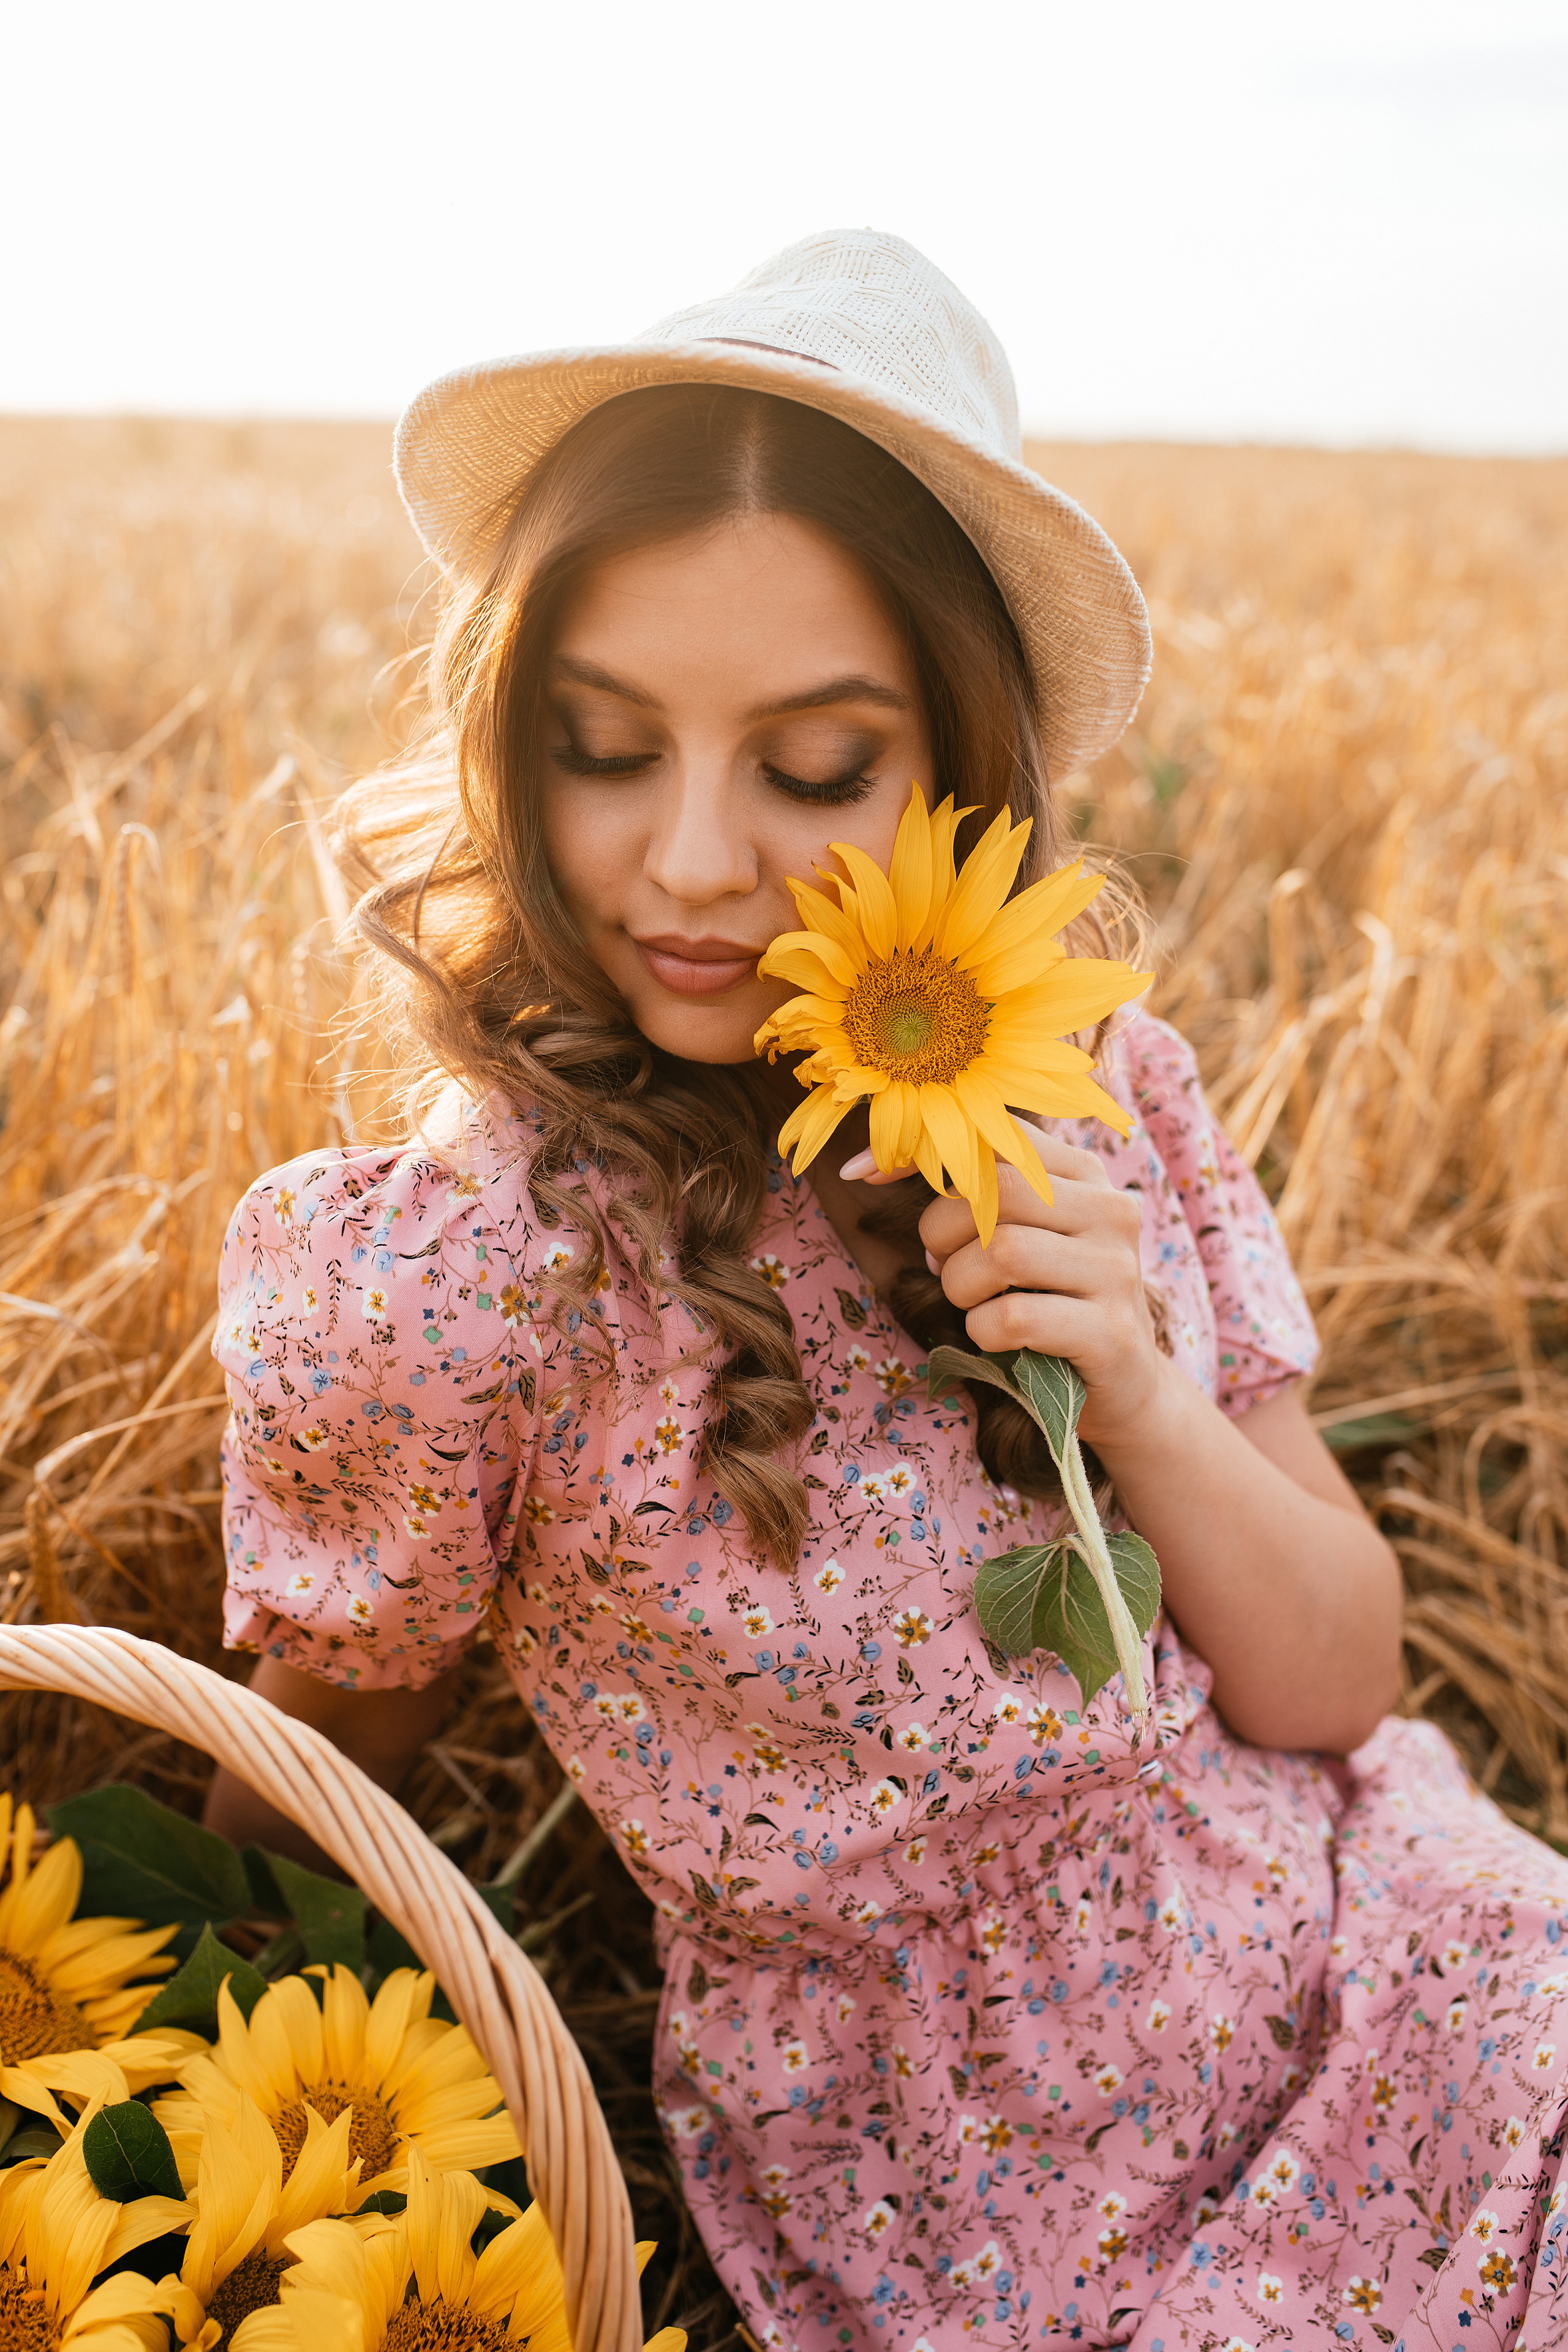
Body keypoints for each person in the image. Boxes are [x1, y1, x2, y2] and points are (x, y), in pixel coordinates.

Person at [204, 231, 1568, 2351]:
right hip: (984, 2200)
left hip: (1389, 1952)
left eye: (815, 769)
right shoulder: (459, 1270)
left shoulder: (1093, 1086)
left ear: (953, 768)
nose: (687, 860)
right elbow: (304, 1800)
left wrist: (1142, 1397)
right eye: (603, 743)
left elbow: (1337, 1688)